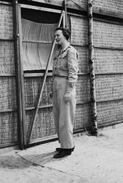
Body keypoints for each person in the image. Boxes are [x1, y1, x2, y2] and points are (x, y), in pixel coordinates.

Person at [52, 27, 78, 158]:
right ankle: (64, 143)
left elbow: (73, 73)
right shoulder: (58, 52)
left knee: (66, 118)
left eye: (58, 35)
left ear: (65, 36)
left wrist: (69, 91)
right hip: (57, 85)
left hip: (65, 85)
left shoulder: (70, 52)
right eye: (55, 36)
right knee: (58, 117)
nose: (56, 38)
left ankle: (68, 148)